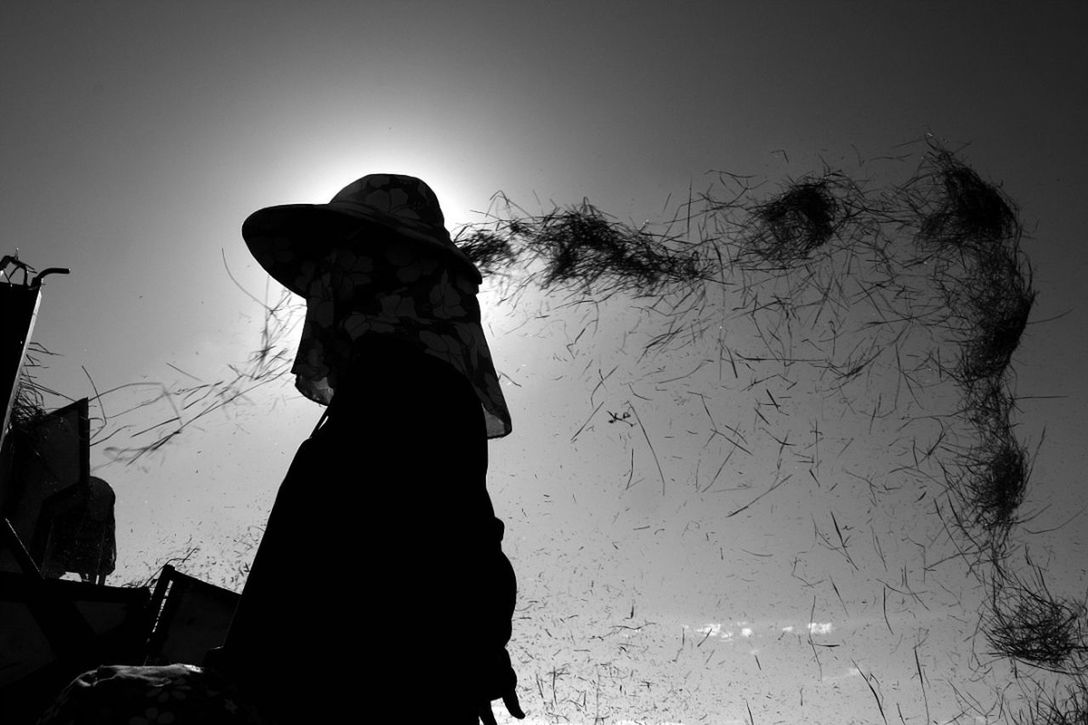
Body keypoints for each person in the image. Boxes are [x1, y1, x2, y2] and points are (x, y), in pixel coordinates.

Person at [215, 173, 525, 724]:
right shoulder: (398, 383)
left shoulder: (403, 385)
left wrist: (248, 668)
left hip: (362, 686)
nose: (328, 280)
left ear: (377, 277)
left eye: (345, 262)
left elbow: (432, 540)